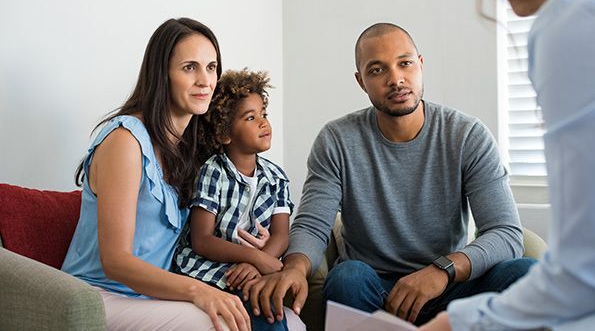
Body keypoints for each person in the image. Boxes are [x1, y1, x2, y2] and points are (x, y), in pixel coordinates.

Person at [243, 22, 536, 327]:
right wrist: (294, 267)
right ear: (361, 81)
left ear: (420, 65)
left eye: (405, 63)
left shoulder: (467, 135)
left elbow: (506, 233)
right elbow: (314, 225)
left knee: (524, 272)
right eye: (377, 70)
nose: (396, 79)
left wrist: (441, 270)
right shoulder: (336, 140)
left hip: (449, 286)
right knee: (347, 277)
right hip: (375, 291)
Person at [421, 0, 595, 330]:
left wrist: (456, 319)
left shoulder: (571, 20)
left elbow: (581, 271)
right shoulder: (338, 139)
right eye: (376, 69)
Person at [61, 17, 251, 331]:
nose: (205, 80)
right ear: (162, 74)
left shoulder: (192, 148)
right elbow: (116, 262)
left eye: (212, 67)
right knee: (213, 323)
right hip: (96, 297)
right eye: (190, 67)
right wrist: (199, 292)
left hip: (151, 299)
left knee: (286, 320)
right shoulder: (125, 140)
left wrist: (255, 248)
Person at [174, 68, 303, 330]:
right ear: (224, 134)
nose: (263, 123)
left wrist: (259, 262)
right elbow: (202, 239)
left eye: (263, 115)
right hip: (211, 269)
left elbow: (281, 235)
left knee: (270, 306)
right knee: (259, 311)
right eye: (251, 117)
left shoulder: (277, 177)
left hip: (255, 267)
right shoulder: (213, 171)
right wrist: (253, 259)